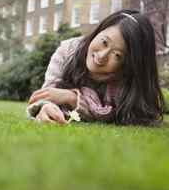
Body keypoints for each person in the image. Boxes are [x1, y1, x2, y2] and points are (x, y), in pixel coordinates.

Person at [27, 9, 165, 126]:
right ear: (99, 31)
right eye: (104, 42)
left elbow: (123, 114)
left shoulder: (124, 82)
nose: (102, 56)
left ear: (128, 65)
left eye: (117, 55)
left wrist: (73, 99)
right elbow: (47, 93)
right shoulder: (67, 51)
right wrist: (47, 106)